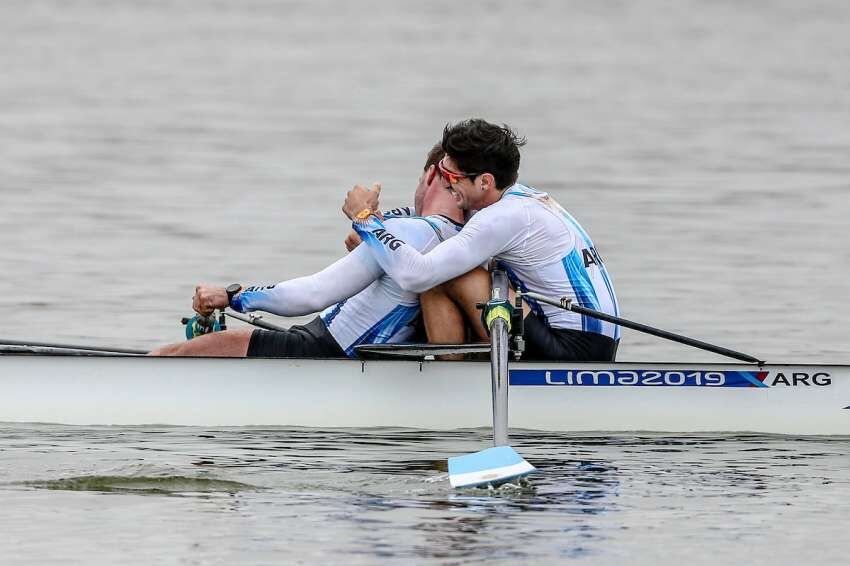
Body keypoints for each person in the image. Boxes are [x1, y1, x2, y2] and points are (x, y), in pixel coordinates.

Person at [342, 119, 620, 361]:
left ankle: (449, 381)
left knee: (438, 274)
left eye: (451, 176)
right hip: (597, 341)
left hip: (571, 349)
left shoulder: (501, 218)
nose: (446, 184)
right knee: (450, 263)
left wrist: (365, 220)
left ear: (485, 182)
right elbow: (424, 223)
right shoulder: (523, 199)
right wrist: (381, 225)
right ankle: (463, 363)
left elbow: (417, 276)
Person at [149, 144, 464, 358]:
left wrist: (234, 296)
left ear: (432, 175)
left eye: (420, 180)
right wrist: (370, 225)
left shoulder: (411, 230)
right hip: (340, 344)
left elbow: (313, 294)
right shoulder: (463, 236)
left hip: (325, 349)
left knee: (170, 356)